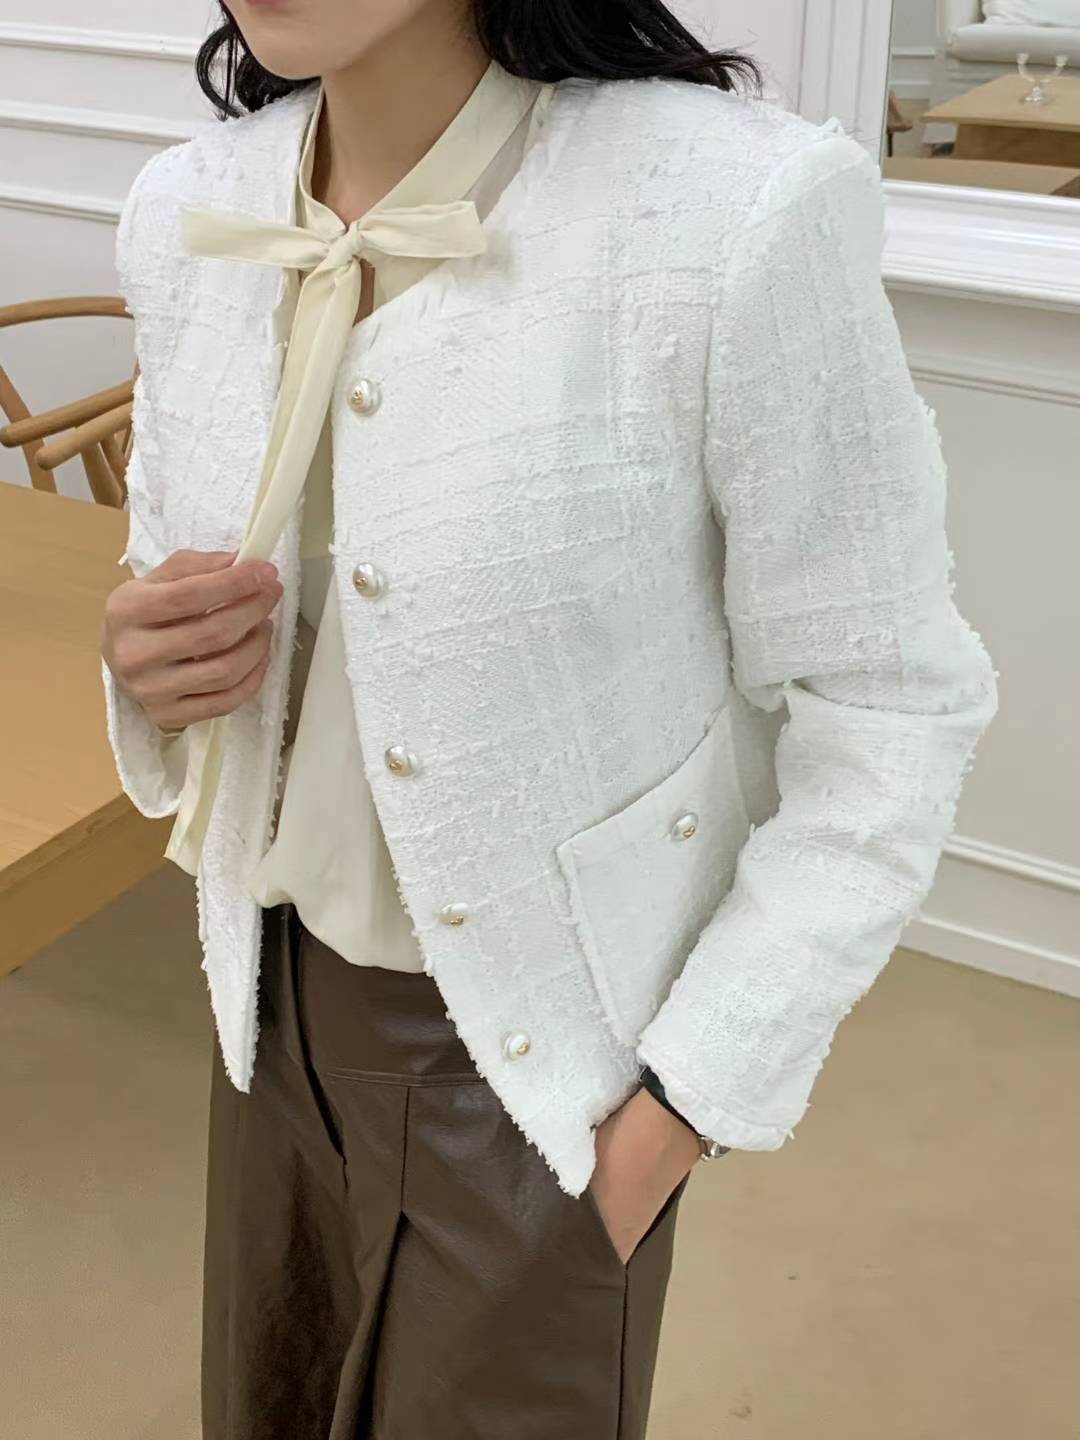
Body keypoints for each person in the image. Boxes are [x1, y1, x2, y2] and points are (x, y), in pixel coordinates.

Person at [98, 1, 999, 1435]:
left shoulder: (732, 209)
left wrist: (684, 1102)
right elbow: (171, 573)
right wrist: (149, 667)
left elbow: (890, 703)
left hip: (541, 1075)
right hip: (262, 1018)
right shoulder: (189, 207)